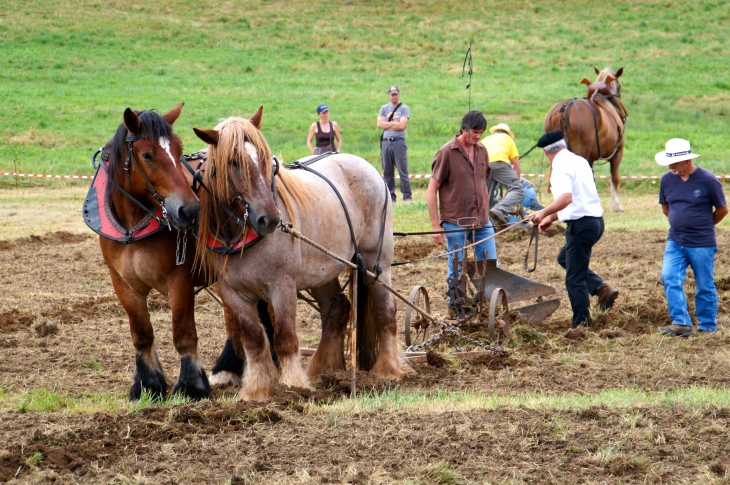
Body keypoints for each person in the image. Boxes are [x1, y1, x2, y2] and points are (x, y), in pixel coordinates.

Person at [530, 130, 618, 328]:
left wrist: (543, 213)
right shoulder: (579, 160)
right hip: (595, 222)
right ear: (563, 144)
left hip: (581, 226)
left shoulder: (559, 165)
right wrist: (552, 218)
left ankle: (582, 324)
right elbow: (577, 200)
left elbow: (566, 198)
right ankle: (600, 287)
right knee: (564, 259)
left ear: (546, 152)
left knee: (574, 280)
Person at [654, 138, 727, 336]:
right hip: (676, 240)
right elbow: (665, 207)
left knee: (704, 284)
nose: (671, 166)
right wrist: (681, 223)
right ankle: (681, 323)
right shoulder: (666, 180)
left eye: (674, 163)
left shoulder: (708, 180)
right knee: (669, 276)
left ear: (687, 161)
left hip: (702, 243)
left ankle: (707, 326)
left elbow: (722, 209)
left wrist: (703, 225)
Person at [427, 110, 497, 313]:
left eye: (481, 133)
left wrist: (487, 211)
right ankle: (456, 304)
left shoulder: (482, 150)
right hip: (455, 220)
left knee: (490, 263)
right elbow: (432, 189)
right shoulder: (447, 152)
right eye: (474, 132)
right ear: (463, 129)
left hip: (482, 221)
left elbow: (483, 183)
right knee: (457, 265)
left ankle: (485, 302)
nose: (477, 136)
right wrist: (435, 226)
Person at [482, 123, 524, 228]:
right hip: (499, 163)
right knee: (518, 190)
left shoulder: (485, 139)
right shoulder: (507, 139)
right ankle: (499, 209)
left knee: (487, 198)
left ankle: (488, 227)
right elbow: (515, 164)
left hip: (483, 166)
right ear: (507, 133)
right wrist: (517, 180)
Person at [377, 86, 412, 202]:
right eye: (392, 94)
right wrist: (394, 123)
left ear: (399, 95)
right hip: (386, 142)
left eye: (396, 94)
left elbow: (402, 125)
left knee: (402, 170)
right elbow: (379, 124)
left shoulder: (404, 108)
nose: (394, 96)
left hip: (398, 142)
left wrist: (387, 123)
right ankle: (390, 196)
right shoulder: (384, 108)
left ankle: (407, 196)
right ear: (389, 95)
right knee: (387, 170)